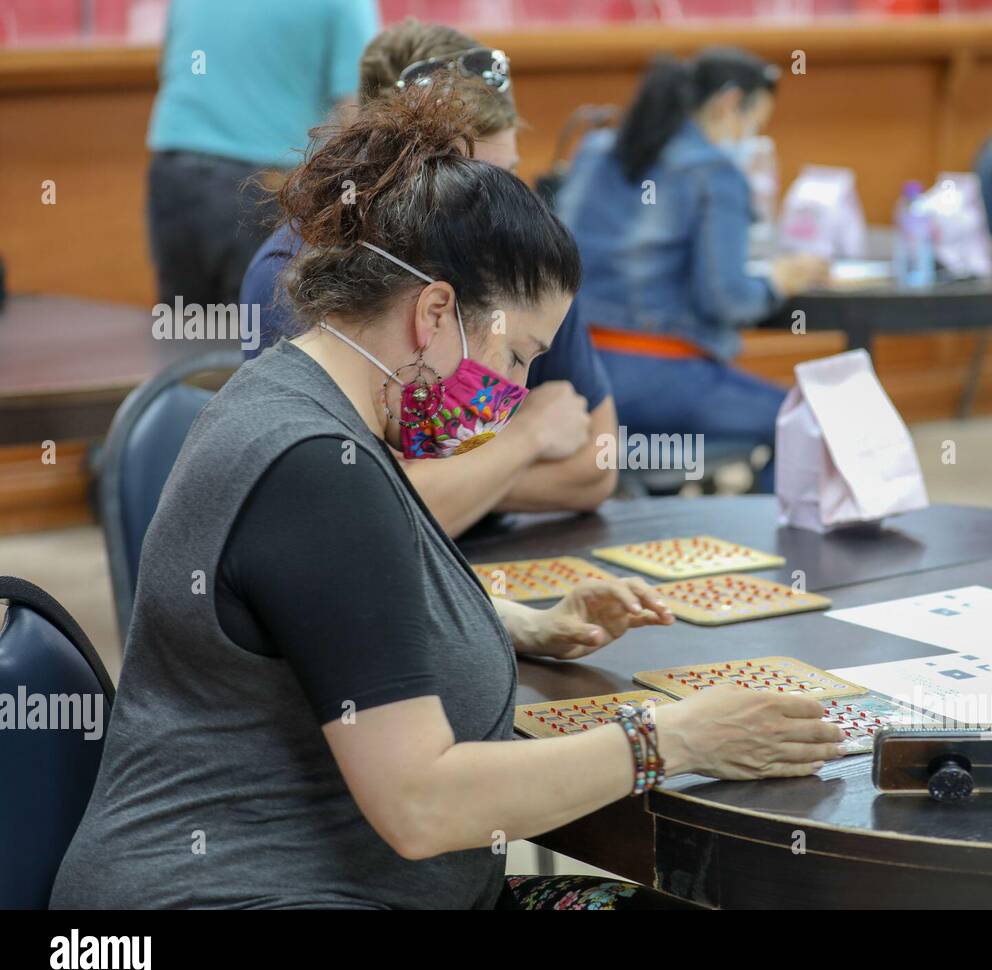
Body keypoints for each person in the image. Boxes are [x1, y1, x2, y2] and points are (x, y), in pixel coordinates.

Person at [49, 84, 845, 911]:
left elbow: (324, 613)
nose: (520, 389)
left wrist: (519, 620)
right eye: (516, 357)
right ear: (435, 312)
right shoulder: (316, 470)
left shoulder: (300, 400)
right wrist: (675, 737)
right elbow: (422, 803)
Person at [241, 21, 617, 535]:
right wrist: (526, 438)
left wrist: (441, 481)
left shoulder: (527, 265)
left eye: (507, 177)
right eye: (468, 180)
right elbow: (362, 511)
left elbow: (595, 468)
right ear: (392, 171)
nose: (498, 210)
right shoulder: (295, 271)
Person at [556, 48, 829, 492]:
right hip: (663, 377)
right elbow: (726, 297)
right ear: (729, 102)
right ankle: (767, 554)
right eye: (755, 122)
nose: (751, 136)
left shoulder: (595, 150)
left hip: (574, 372)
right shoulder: (714, 173)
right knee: (811, 423)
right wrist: (778, 279)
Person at [147, 0, 379, 309]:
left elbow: (170, 67)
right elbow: (356, 114)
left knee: (184, 332)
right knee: (263, 338)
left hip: (174, 171)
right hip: (265, 187)